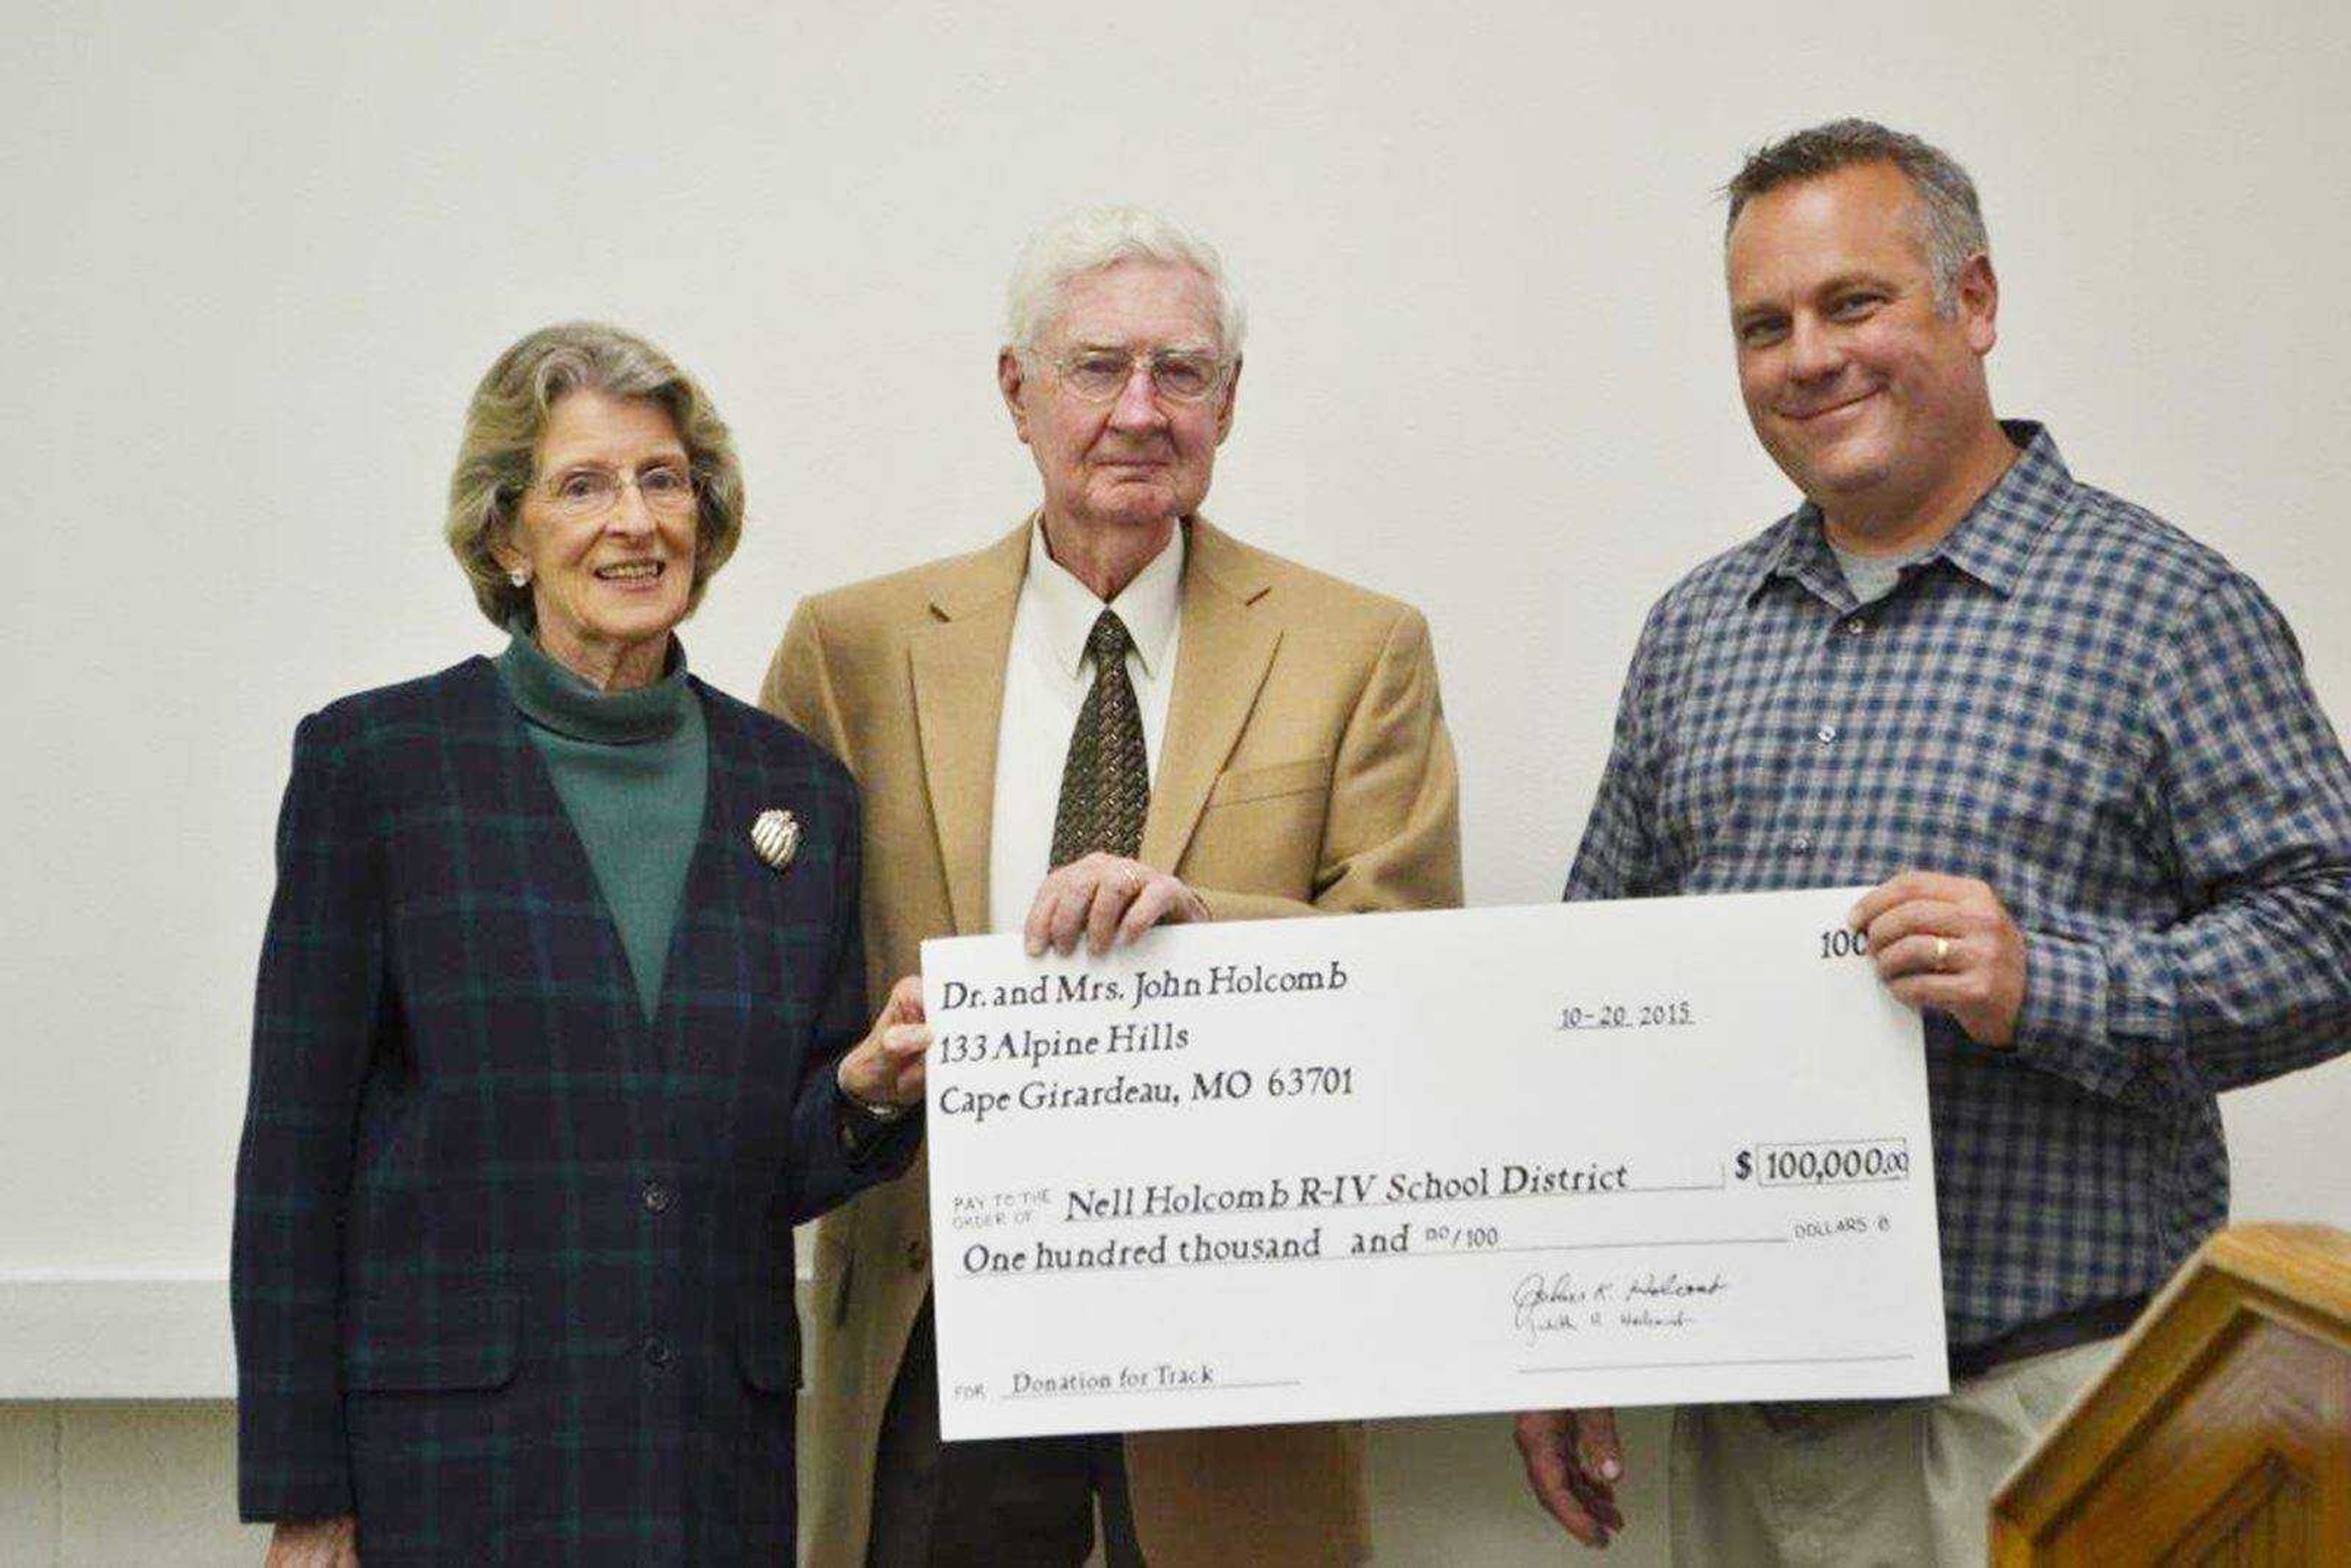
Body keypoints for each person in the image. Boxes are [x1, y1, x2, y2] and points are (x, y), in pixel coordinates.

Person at [1515, 119, 2351, 1565]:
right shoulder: (1696, 632)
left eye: (1853, 303)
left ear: (1974, 304)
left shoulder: (2164, 609)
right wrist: (1564, 1315)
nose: (1807, 358)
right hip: (1746, 1422)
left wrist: (2049, 983)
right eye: (1763, 326)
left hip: (2042, 1416)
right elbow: (1594, 990)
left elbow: (2333, 925)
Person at [764, 206, 1461, 1566]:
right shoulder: (851, 649)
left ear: (1231, 402)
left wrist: (1206, 927)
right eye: (1097, 368)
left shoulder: (1359, 647)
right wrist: (868, 1073)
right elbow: (773, 1001)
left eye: (1181, 372)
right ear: (1017, 392)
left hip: (1240, 1323)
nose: (1140, 411)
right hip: (937, 1313)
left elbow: (1410, 972)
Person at [232, 322, 931, 1566]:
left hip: (708, 1468)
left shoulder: (800, 793)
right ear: (508, 534)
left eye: (666, 480)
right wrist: (307, 1495)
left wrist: (866, 1097)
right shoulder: (379, 767)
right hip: (453, 1477)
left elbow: (778, 1161)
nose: (637, 521)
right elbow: (295, 1157)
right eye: (584, 484)